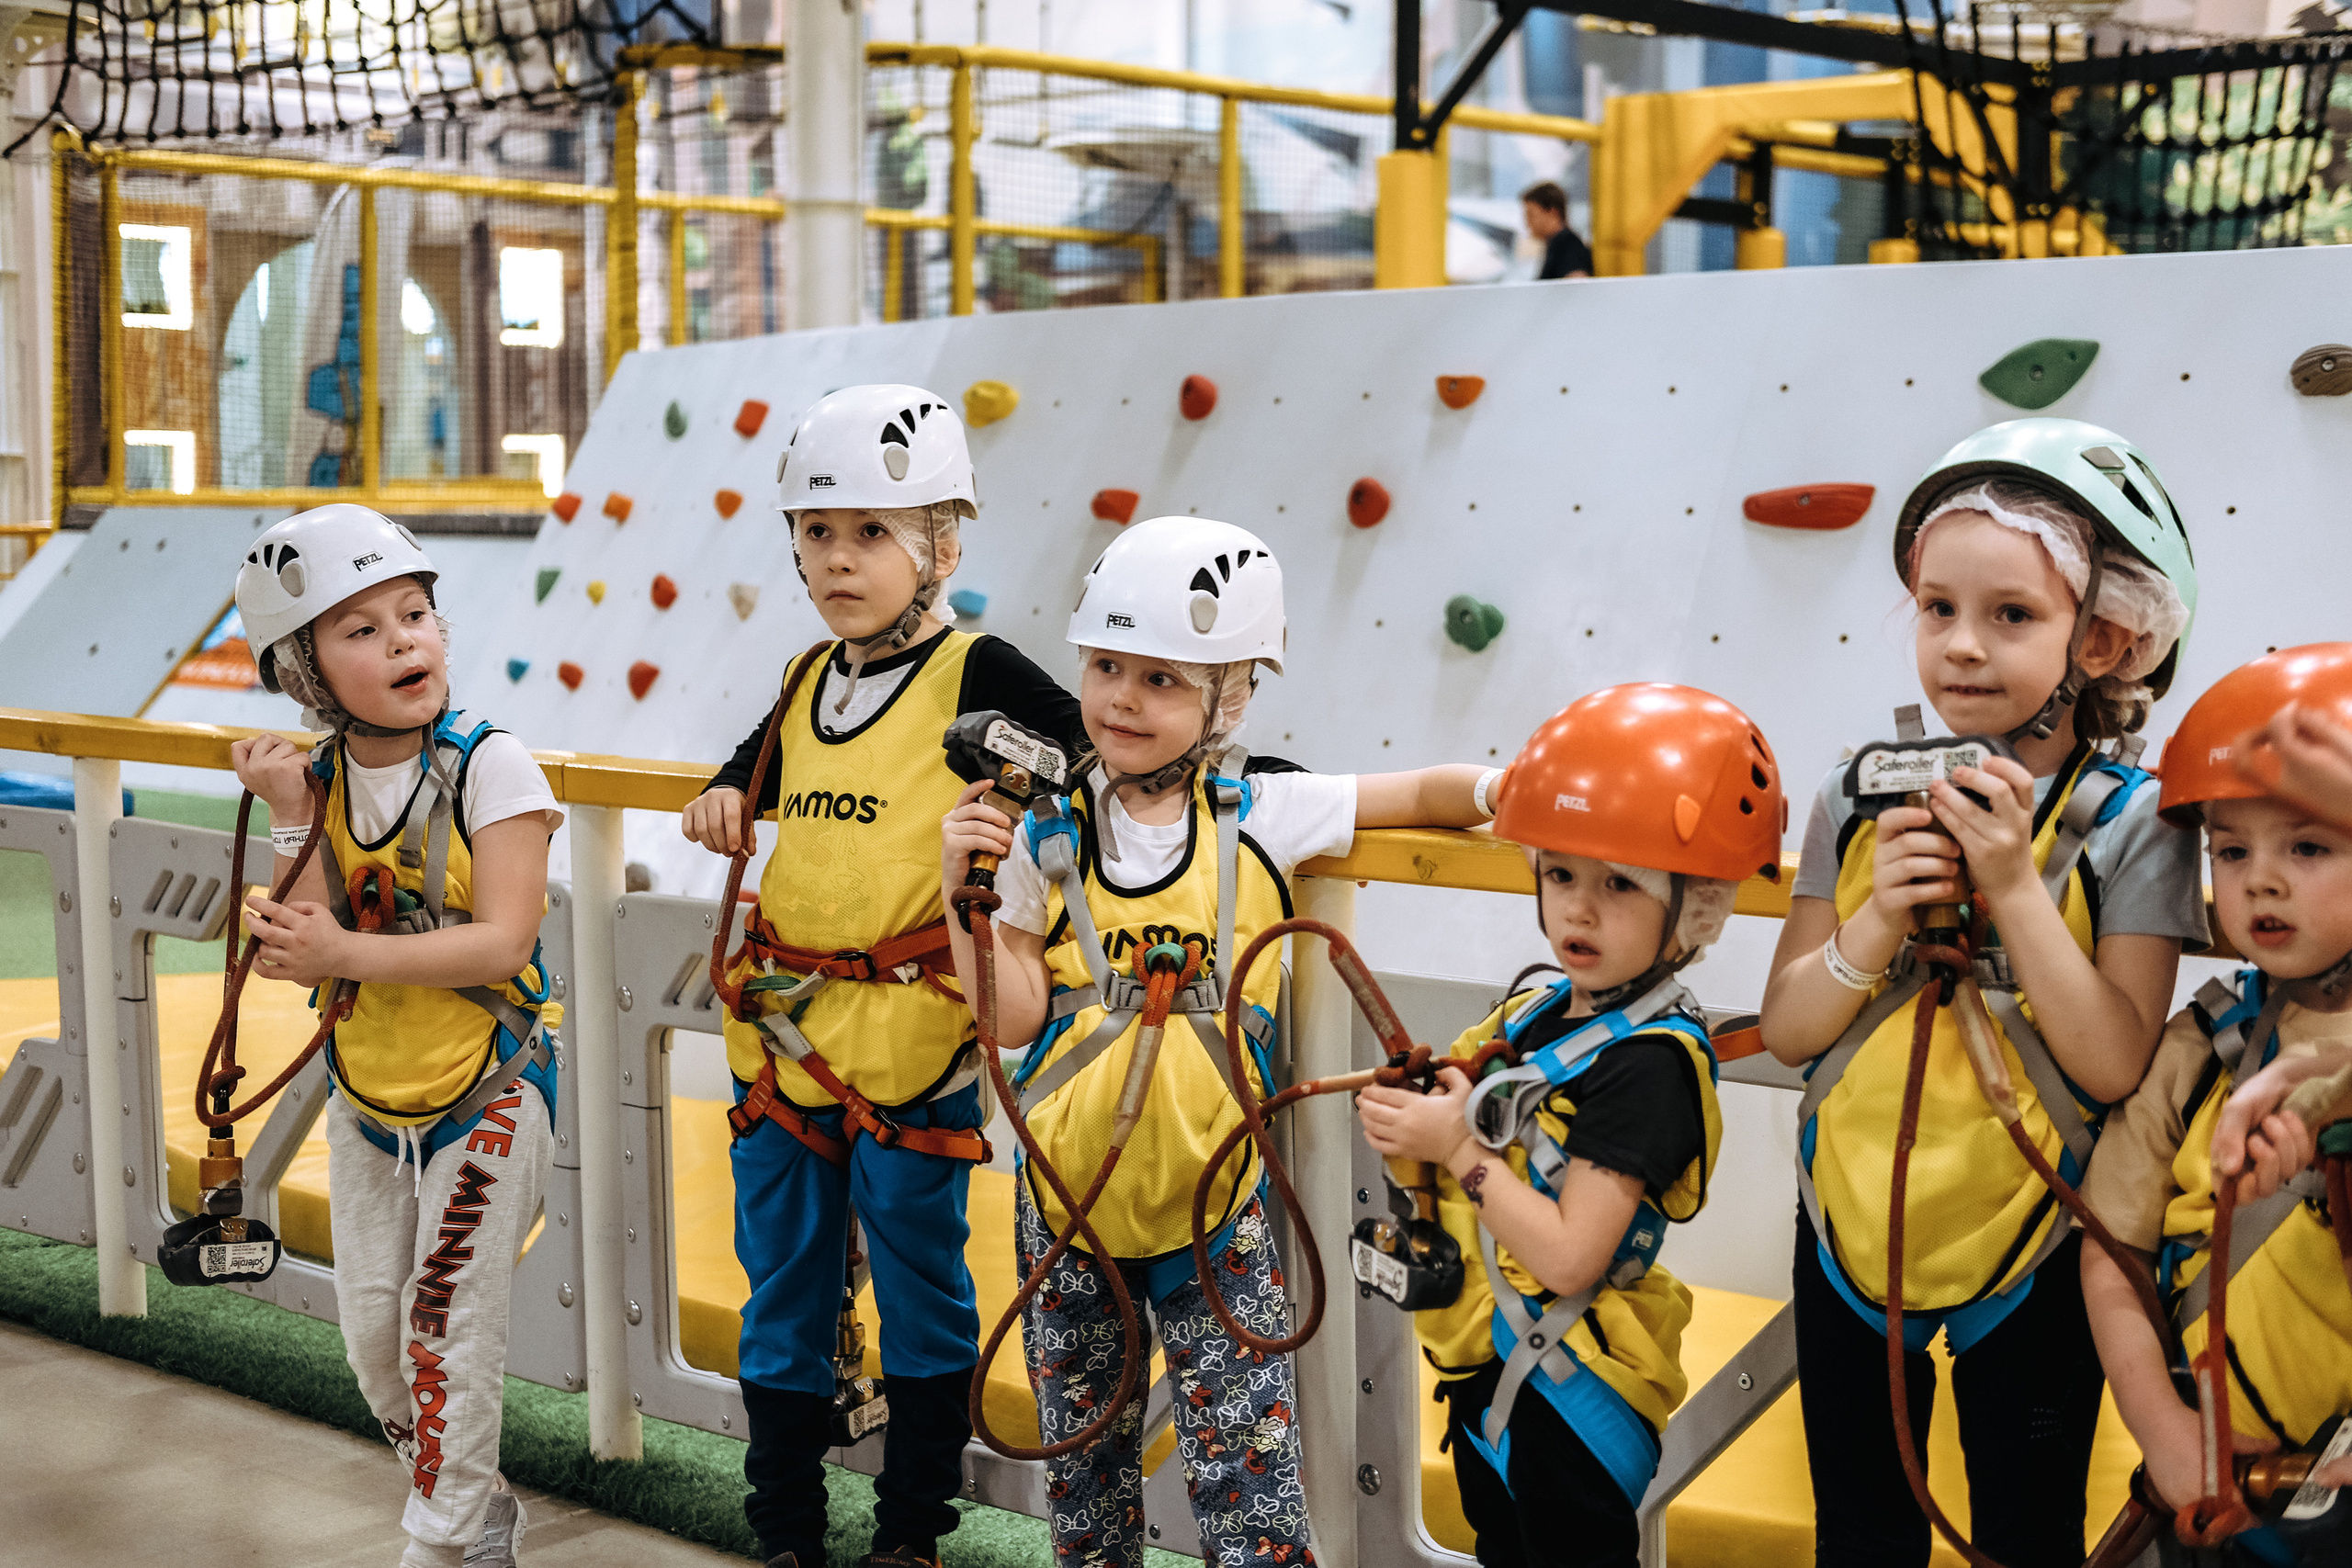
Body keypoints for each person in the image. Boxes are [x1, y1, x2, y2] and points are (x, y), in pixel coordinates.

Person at [938, 514, 1501, 1568]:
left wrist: (1504, 794)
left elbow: (1415, 794)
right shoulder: (1040, 831)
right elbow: (1011, 1019)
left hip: (1218, 1213)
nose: (1119, 699)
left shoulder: (1261, 817)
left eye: (1161, 679)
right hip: (1067, 1212)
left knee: (1248, 1481)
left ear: (1229, 698)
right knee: (1083, 1477)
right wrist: (960, 894)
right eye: (1106, 666)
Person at [1757, 418, 2206, 1567]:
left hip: (2039, 1231)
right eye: (1937, 608)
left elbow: (2112, 1063)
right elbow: (1795, 1027)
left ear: (2104, 640)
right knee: (1858, 1534)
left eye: (2012, 615)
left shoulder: (2131, 823)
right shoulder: (1853, 799)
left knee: (2023, 1533)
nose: (1961, 646)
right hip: (1848, 1226)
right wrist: (1873, 922)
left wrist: (2010, 883)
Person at [680, 385, 1084, 1568]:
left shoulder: (981, 670)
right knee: (781, 1301)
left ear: (941, 547)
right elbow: (757, 762)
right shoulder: (811, 678)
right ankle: (786, 1534)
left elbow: (1088, 753)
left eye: (871, 534)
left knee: (922, 1300)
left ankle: (910, 1535)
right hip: (786, 1052)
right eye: (818, 533)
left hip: (912, 1055)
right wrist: (723, 790)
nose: (838, 560)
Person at [1357, 684, 1785, 1568]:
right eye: (1560, 874)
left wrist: (1455, 1147)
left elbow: (1567, 1255)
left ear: (1700, 905)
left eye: (1619, 883)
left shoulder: (1651, 1065)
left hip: (1571, 1393)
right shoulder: (1542, 1010)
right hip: (1495, 1375)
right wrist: (1427, 1115)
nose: (1579, 910)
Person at [228, 503, 564, 1568]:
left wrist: (338, 954)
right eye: (361, 630)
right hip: (370, 1097)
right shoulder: (321, 779)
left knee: (446, 1334)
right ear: (305, 673)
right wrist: (289, 812)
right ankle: (479, 1508)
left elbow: (505, 941)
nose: (404, 641)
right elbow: (314, 930)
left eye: (414, 615)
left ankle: (443, 1542)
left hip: (491, 1092)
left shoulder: (490, 767)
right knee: (378, 1349)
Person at [2078, 644, 2352, 1551]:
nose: (2260, 880)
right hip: (2214, 1479)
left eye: (2305, 846)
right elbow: (2112, 1249)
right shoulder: (2202, 1046)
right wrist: (2160, 1428)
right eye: (2230, 850)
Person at [1521, 180, 1593, 280]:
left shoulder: (1568, 245)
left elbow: (1577, 283)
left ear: (1553, 213)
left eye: (1531, 215)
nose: (1527, 223)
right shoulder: (1554, 245)